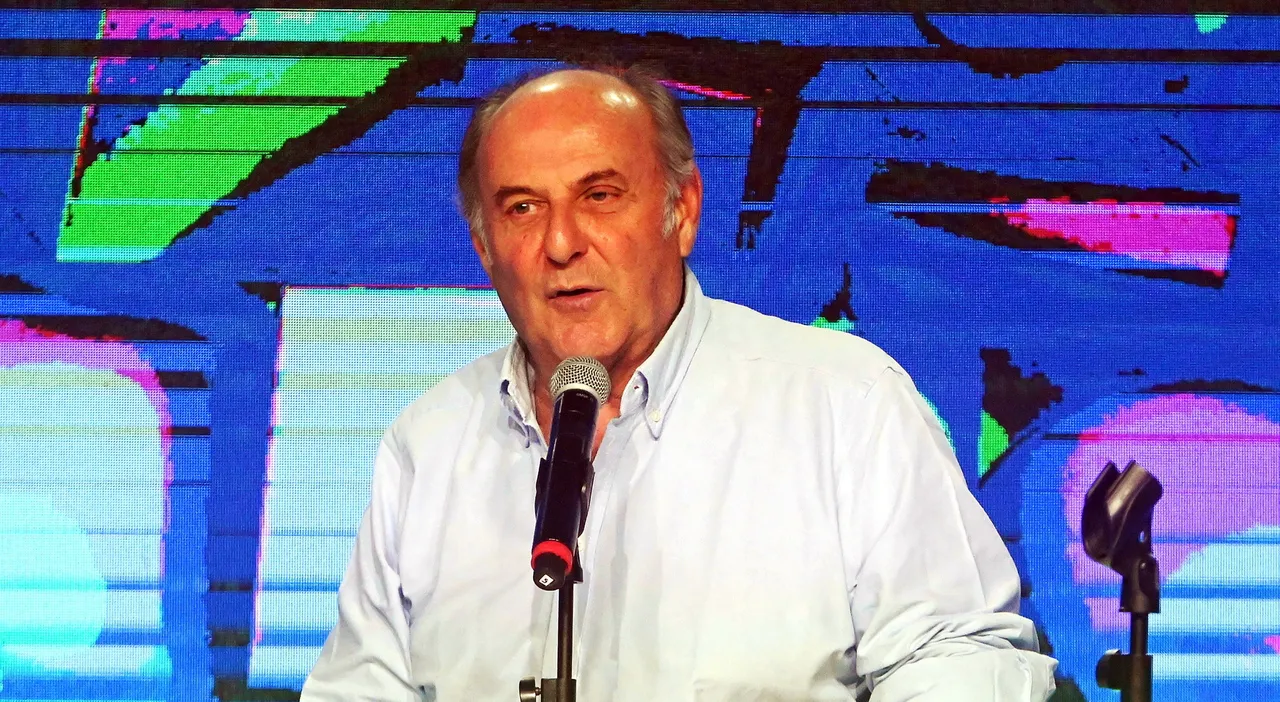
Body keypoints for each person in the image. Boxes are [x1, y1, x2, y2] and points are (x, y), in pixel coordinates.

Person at [301, 65, 1058, 701]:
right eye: (523, 208)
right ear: (484, 245)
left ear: (683, 210)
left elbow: (958, 657)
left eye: (600, 196)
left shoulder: (843, 405)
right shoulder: (427, 447)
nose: (561, 243)